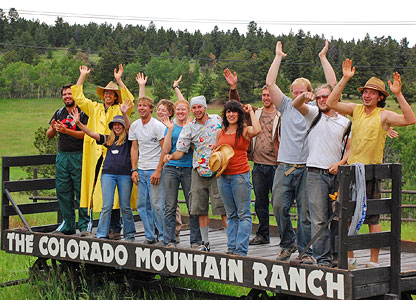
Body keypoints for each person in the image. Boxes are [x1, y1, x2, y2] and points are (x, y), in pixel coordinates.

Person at [326, 59, 416, 268]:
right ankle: (349, 258)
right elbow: (331, 103)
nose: (366, 95)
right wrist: (345, 78)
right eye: (365, 92)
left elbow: (410, 119)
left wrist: (399, 94)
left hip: (371, 173)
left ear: (380, 97)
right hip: (350, 172)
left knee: (372, 218)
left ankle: (374, 262)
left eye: (372, 93)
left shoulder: (383, 115)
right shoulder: (356, 110)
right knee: (346, 215)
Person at [266, 40, 337, 262]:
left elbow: (333, 87)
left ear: (309, 93)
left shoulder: (317, 110)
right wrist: (278, 56)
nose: (298, 94)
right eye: (295, 91)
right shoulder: (286, 105)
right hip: (285, 165)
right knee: (278, 206)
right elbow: (270, 83)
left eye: (302, 91)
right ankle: (288, 243)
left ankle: (305, 252)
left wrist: (323, 58)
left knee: (306, 213)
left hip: (308, 167)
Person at [71, 65, 135, 239]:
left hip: (115, 155)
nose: (108, 95)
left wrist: (120, 80)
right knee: (99, 191)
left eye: (111, 93)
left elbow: (130, 101)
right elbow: (78, 97)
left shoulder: (119, 109)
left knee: (115, 195)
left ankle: (115, 228)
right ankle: (97, 228)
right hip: (95, 152)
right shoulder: (95, 107)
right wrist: (82, 76)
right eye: (106, 93)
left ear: (115, 96)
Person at [293, 84, 351, 266]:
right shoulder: (313, 115)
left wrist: (341, 163)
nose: (322, 100)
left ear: (335, 97)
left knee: (337, 217)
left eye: (326, 96)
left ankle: (336, 255)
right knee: (318, 219)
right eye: (319, 97)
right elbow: (296, 104)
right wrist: (304, 96)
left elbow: (351, 149)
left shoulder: (346, 123)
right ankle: (323, 259)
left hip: (337, 174)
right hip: (316, 174)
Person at [223, 68, 281, 245]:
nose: (266, 98)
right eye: (263, 95)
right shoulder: (254, 113)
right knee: (260, 203)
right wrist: (233, 88)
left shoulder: (281, 114)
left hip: (276, 164)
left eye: (269, 94)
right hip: (258, 164)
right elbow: (235, 108)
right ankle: (263, 234)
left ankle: (285, 238)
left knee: (279, 204)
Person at [164, 95, 226, 252]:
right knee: (199, 207)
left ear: (205, 107)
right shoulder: (189, 128)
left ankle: (230, 243)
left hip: (217, 170)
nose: (197, 110)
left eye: (200, 107)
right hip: (199, 170)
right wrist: (171, 157)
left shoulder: (217, 120)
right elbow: (180, 150)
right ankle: (204, 243)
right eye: (194, 107)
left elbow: (229, 133)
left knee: (222, 207)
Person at [215, 100, 261, 256]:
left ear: (239, 114)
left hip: (240, 176)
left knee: (243, 213)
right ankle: (232, 247)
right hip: (223, 176)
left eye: (234, 111)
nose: (231, 114)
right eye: (228, 111)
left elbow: (258, 129)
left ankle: (241, 249)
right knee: (231, 214)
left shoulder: (245, 130)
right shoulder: (220, 132)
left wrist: (251, 112)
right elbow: (217, 152)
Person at [160, 76, 202, 247]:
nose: (181, 112)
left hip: (187, 168)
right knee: (169, 205)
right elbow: (165, 150)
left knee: (193, 205)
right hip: (170, 168)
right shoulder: (170, 126)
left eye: (184, 110)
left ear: (188, 112)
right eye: (178, 110)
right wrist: (170, 131)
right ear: (175, 111)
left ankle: (195, 240)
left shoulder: (192, 125)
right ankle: (169, 240)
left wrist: (176, 88)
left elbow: (194, 148)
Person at [46, 85, 89, 236]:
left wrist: (66, 131)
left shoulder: (83, 112)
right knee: (63, 190)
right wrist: (53, 128)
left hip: (79, 155)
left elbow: (86, 134)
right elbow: (49, 135)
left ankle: (85, 225)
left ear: (75, 95)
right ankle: (68, 224)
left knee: (81, 190)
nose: (67, 96)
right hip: (62, 156)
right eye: (64, 94)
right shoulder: (59, 112)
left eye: (69, 94)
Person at [129, 75, 166, 244]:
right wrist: (134, 169)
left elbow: (164, 148)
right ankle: (150, 235)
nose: (141, 108)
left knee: (157, 205)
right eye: (139, 106)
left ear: (151, 108)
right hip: (141, 170)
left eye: (145, 106)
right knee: (142, 206)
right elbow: (134, 147)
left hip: (154, 170)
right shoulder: (135, 126)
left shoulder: (158, 126)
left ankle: (165, 236)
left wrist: (158, 170)